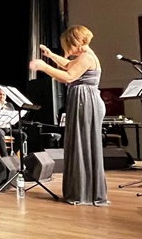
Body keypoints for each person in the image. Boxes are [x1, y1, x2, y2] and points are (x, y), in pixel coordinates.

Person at [30, 25, 108, 206]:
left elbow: (69, 76)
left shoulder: (86, 57)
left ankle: (85, 191)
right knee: (80, 143)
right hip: (83, 100)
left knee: (83, 143)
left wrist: (44, 67)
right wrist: (50, 56)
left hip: (86, 102)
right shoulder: (84, 57)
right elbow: (67, 65)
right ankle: (83, 189)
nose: (67, 49)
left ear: (75, 41)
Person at [0, 88, 26, 158]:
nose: (2, 96)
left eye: (3, 95)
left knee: (23, 135)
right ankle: (5, 156)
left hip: (8, 128)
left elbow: (13, 116)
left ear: (6, 96)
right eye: (0, 94)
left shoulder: (10, 105)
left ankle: (13, 154)